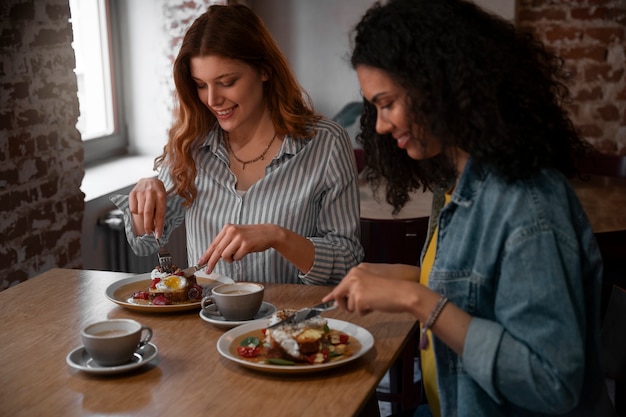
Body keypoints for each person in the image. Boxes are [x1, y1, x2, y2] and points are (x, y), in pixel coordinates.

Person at [322, 0, 616, 416]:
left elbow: (552, 382)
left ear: (436, 86)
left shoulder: (527, 203)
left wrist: (415, 299)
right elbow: (479, 288)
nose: (382, 126)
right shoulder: (455, 180)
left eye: (386, 104)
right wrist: (399, 277)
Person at [111, 4, 363, 285]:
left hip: (290, 324)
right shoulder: (190, 144)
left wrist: (277, 237)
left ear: (265, 70)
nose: (212, 99)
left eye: (227, 82)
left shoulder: (326, 144)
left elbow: (347, 262)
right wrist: (145, 191)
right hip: (207, 323)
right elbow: (145, 243)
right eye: (201, 85)